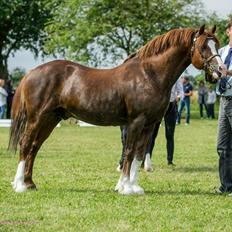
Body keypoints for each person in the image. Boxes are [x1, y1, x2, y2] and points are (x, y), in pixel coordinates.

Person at [117, 79, 183, 171]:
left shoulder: (176, 79)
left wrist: (178, 97)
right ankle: (147, 158)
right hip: (160, 106)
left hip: (171, 106)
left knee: (169, 135)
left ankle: (169, 160)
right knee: (152, 134)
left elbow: (181, 92)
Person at [215, 21, 232, 195]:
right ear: (228, 32)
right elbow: (215, 70)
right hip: (223, 100)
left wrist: (228, 72)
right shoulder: (221, 52)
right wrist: (214, 73)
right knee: (222, 146)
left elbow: (226, 71)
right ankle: (226, 186)